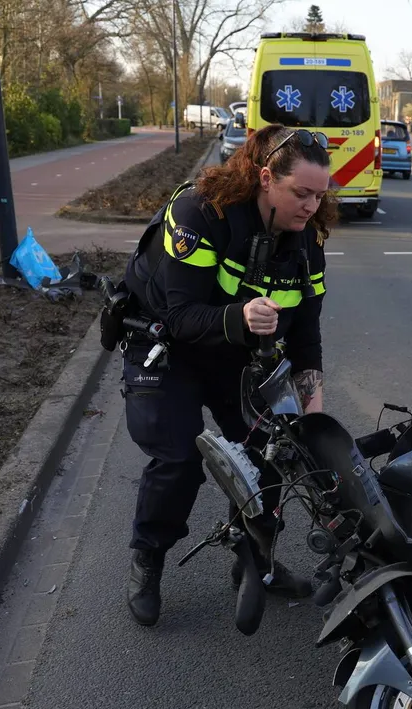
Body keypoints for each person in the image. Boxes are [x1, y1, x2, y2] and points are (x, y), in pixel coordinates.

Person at [119, 123, 336, 627]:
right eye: (301, 193)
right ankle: (148, 558)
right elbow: (180, 315)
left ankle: (255, 562)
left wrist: (313, 417)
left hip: (234, 353)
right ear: (266, 178)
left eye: (320, 195)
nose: (311, 206)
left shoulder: (308, 240)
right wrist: (239, 317)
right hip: (166, 346)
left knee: (276, 449)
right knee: (179, 459)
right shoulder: (200, 213)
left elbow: (306, 336)